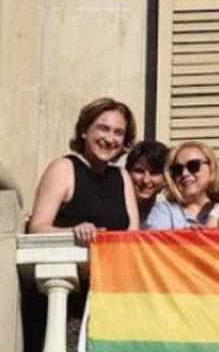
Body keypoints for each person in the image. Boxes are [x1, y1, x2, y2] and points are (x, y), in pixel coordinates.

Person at [28, 97, 139, 245]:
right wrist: (74, 231)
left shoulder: (122, 177)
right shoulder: (63, 169)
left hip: (113, 264)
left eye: (118, 132)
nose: (110, 139)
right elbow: (36, 228)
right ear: (84, 131)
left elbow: (133, 235)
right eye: (103, 128)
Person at [143, 141, 219, 229]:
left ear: (211, 167)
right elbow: (155, 241)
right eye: (178, 169)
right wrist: (184, 237)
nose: (184, 174)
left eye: (193, 166)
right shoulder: (164, 211)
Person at [124, 140, 169, 220]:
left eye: (154, 173)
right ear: (128, 173)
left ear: (165, 178)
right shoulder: (112, 207)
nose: (146, 180)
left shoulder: (171, 215)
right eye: (139, 171)